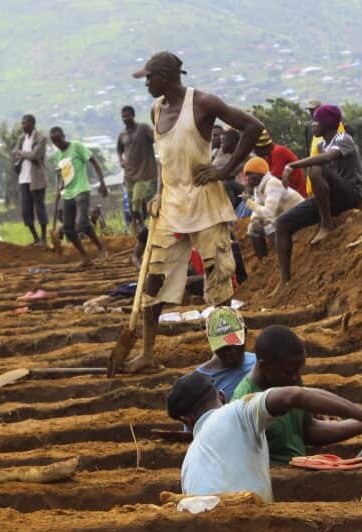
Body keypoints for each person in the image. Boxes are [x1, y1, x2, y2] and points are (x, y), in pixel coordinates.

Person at [125, 51, 264, 373]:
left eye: (149, 77)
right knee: (153, 280)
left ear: (165, 77)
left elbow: (252, 127)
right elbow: (165, 161)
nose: (146, 83)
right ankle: (146, 354)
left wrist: (225, 170)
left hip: (205, 203)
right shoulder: (156, 109)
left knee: (219, 281)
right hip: (171, 206)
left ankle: (229, 355)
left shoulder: (203, 103)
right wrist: (159, 194)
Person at [167, 363, 362, 503]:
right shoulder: (236, 412)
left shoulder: (187, 466)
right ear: (221, 396)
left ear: (186, 420)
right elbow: (294, 396)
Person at [231, 325, 362, 467]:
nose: (296, 378)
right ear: (264, 366)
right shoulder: (244, 401)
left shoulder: (289, 379)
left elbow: (309, 430)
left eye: (298, 370)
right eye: (289, 372)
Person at [272, 105, 362, 283]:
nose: (312, 125)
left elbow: (327, 158)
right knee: (282, 223)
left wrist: (293, 165)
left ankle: (326, 225)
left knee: (316, 167)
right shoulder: (323, 144)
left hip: (351, 194)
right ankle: (284, 281)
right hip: (332, 197)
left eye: (317, 121)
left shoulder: (343, 138)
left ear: (328, 124)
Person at [50, 126, 110, 265]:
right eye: (55, 142)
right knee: (68, 229)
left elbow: (94, 162)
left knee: (81, 224)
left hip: (82, 189)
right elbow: (63, 175)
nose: (58, 144)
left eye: (59, 140)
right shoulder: (58, 155)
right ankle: (85, 257)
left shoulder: (76, 146)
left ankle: (101, 248)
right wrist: (59, 189)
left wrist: (102, 182)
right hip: (68, 194)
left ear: (64, 136)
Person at [243, 156, 304, 258]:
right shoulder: (257, 187)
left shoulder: (272, 183)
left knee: (269, 224)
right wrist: (255, 219)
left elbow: (268, 213)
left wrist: (249, 202)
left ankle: (282, 256)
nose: (247, 178)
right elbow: (259, 204)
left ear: (260, 173)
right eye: (246, 175)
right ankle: (264, 261)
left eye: (250, 174)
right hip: (284, 216)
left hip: (299, 215)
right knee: (252, 228)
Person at [195, 307, 257, 400]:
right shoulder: (201, 382)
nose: (232, 352)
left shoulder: (258, 364)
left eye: (236, 344)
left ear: (245, 332)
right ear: (209, 341)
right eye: (224, 347)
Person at [117, 106, 158, 235]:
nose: (125, 119)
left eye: (128, 116)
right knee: (131, 206)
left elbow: (156, 139)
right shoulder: (122, 134)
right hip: (129, 175)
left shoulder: (143, 128)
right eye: (123, 117)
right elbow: (119, 149)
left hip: (143, 174)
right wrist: (121, 160)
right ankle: (138, 230)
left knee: (136, 203)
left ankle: (142, 228)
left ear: (133, 116)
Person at [12, 115, 50, 245]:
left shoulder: (41, 138)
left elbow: (35, 155)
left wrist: (21, 153)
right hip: (23, 179)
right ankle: (36, 238)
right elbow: (14, 152)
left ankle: (44, 238)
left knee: (40, 208)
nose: (23, 126)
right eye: (22, 124)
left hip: (36, 179)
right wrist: (24, 153)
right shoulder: (21, 138)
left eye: (25, 124)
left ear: (33, 124)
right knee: (26, 211)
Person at [253, 129, 306, 196]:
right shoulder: (269, 155)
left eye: (253, 148)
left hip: (296, 197)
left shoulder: (278, 152)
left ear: (258, 148)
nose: (254, 151)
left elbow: (273, 181)